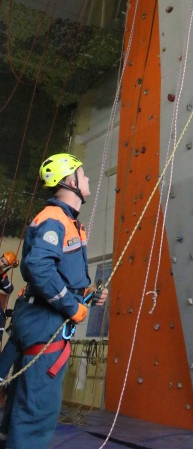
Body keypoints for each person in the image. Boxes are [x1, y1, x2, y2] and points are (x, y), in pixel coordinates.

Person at [0, 153, 108, 449]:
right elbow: (39, 268)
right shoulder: (54, 219)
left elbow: (61, 276)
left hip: (41, 320)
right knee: (38, 410)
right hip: (44, 325)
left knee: (23, 401)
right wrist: (73, 308)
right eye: (83, 176)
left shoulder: (70, 224)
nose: (87, 181)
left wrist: (87, 295)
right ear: (71, 181)